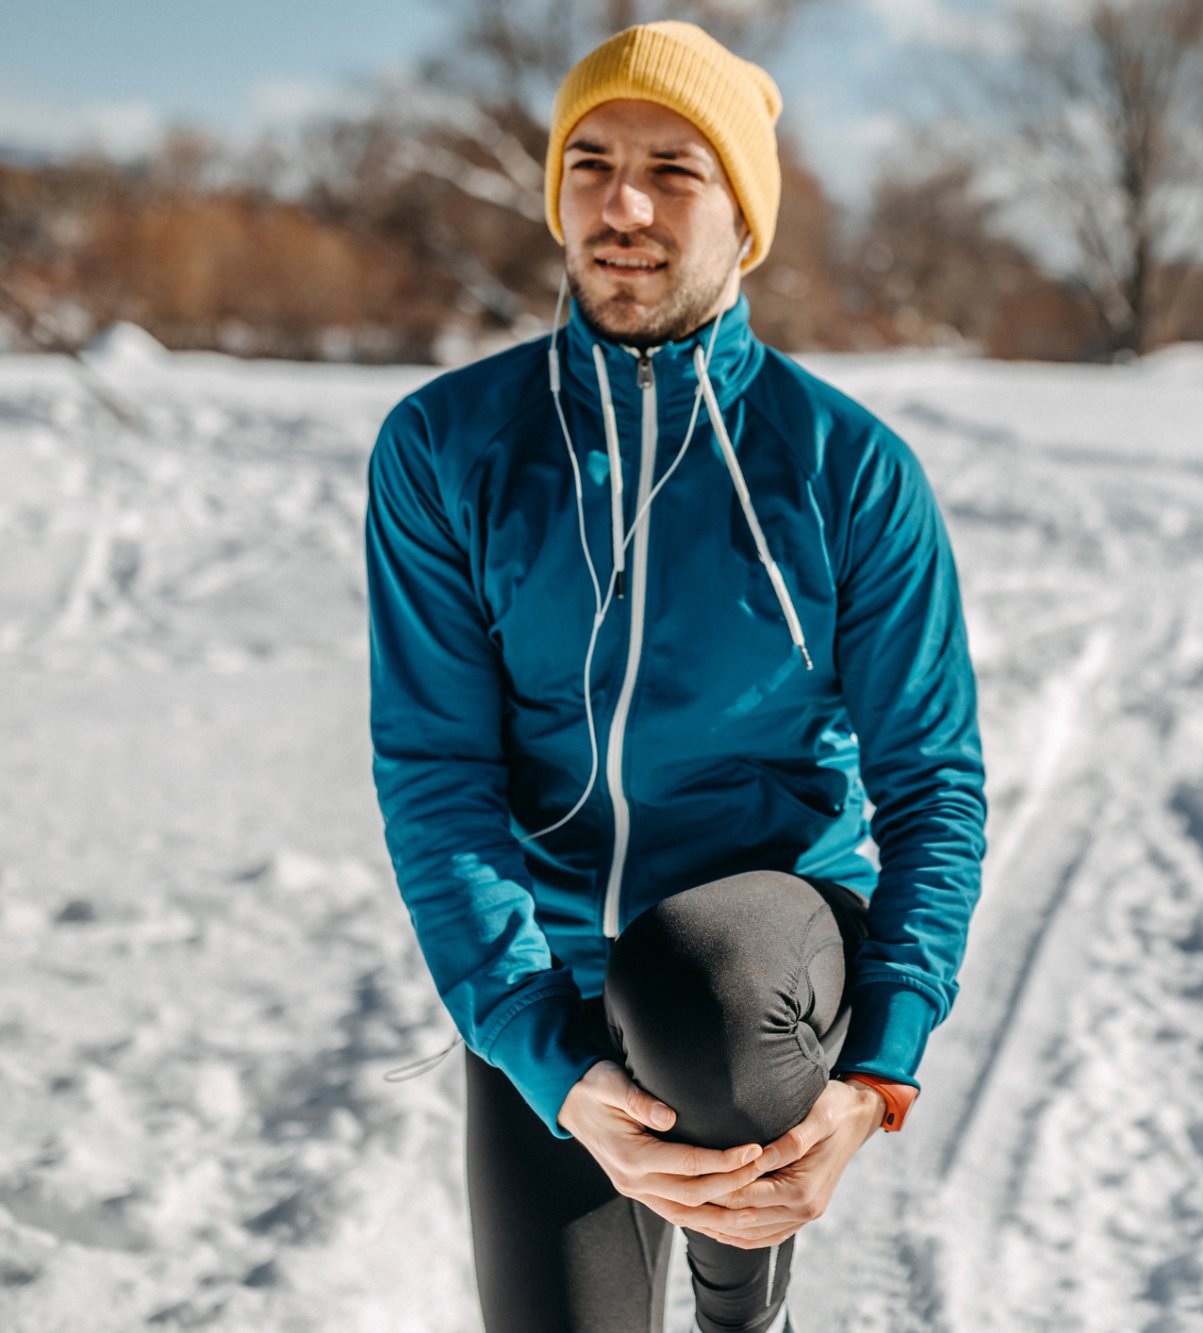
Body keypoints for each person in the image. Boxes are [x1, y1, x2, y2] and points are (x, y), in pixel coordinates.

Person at [364, 20, 987, 1332]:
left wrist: (874, 1076)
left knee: (693, 973)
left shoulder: (845, 469)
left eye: (676, 169)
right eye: (589, 161)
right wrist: (547, 1054)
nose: (623, 202)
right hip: (550, 973)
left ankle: (739, 1304)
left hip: (753, 964)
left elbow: (933, 783)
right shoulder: (448, 449)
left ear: (745, 218)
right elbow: (439, 773)